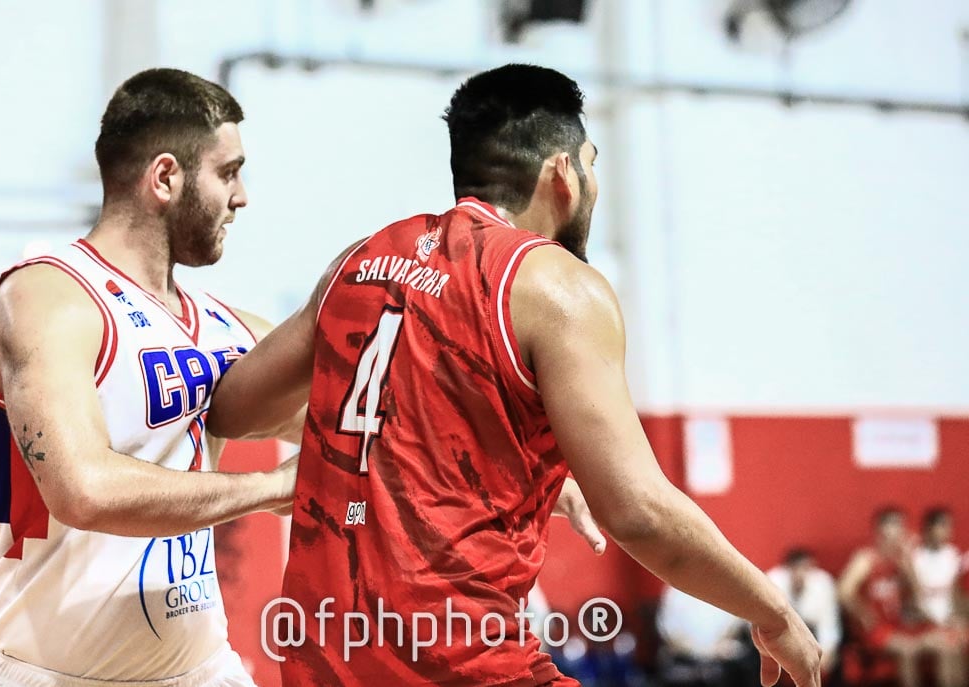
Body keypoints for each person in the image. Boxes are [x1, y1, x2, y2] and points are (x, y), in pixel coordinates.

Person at [209, 64, 821, 686]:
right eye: (591, 163)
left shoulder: (361, 260)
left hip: (324, 662)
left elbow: (234, 411)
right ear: (562, 173)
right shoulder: (554, 287)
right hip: (459, 664)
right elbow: (638, 512)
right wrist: (771, 610)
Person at [0, 68, 302, 687]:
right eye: (228, 172)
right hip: (44, 674)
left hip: (204, 670)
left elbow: (358, 420)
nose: (242, 196)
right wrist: (272, 487)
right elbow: (83, 490)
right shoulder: (47, 298)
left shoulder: (230, 328)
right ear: (165, 177)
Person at [839, 506, 964, 687]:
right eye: (896, 526)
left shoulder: (902, 560)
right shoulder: (867, 558)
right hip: (876, 628)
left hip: (901, 624)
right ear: (881, 530)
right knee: (908, 651)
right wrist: (863, 613)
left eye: (902, 526)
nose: (901, 531)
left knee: (947, 645)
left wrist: (908, 564)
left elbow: (918, 595)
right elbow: (843, 591)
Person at [911, 507, 967, 685]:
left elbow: (956, 594)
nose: (948, 531)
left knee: (958, 644)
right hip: (922, 621)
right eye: (943, 526)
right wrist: (936, 622)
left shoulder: (952, 555)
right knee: (947, 648)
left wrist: (958, 617)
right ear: (929, 528)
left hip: (949, 620)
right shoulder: (914, 557)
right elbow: (912, 600)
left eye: (949, 526)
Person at [767, 549, 841, 675]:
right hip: (776, 638)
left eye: (806, 569)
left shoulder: (822, 584)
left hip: (812, 635)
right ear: (787, 569)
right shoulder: (772, 581)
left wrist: (827, 652)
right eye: (796, 569)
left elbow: (829, 623)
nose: (800, 574)